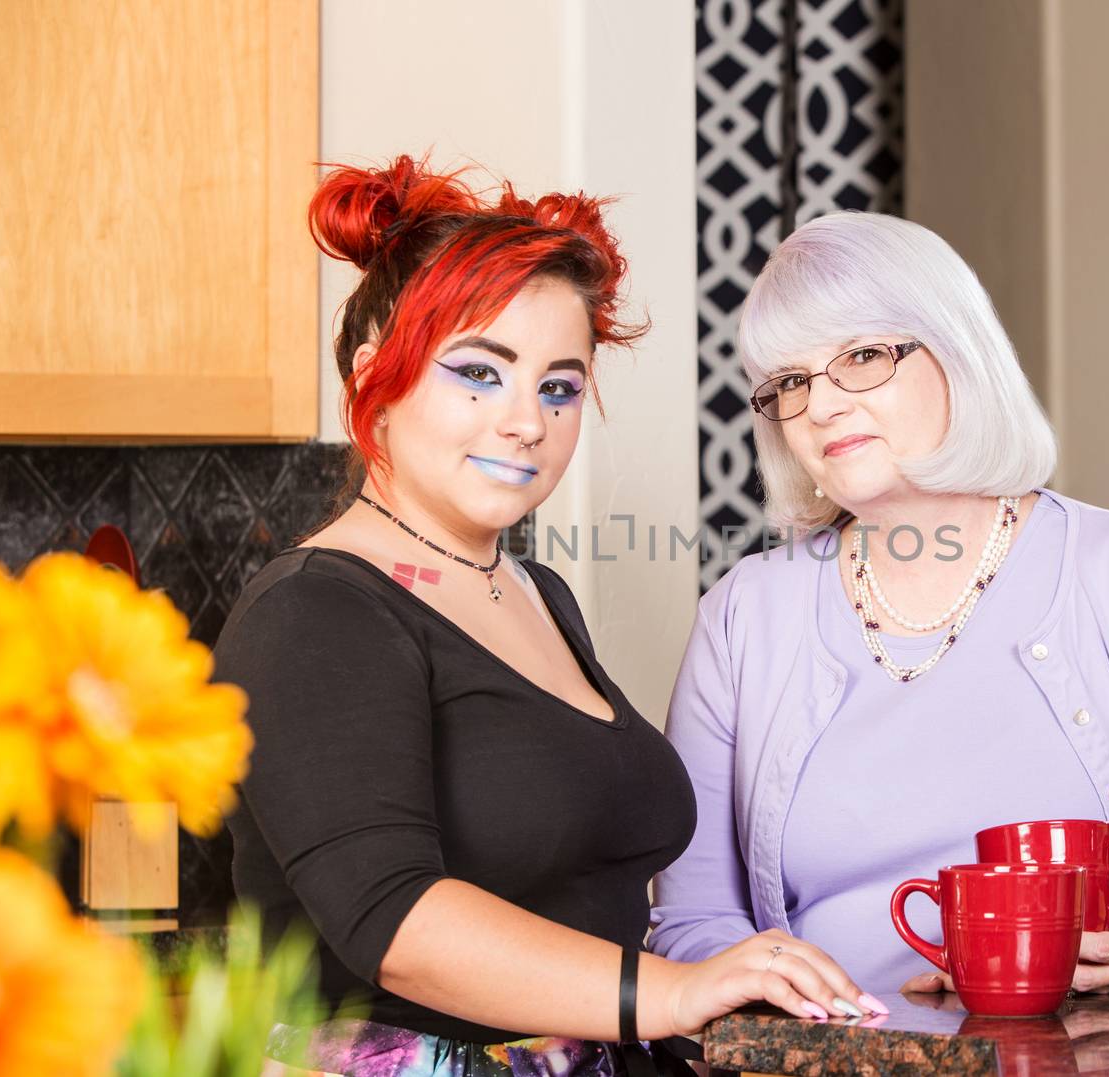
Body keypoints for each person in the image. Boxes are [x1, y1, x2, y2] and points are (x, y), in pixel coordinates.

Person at [214, 157, 878, 1077]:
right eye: (479, 372)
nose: (526, 420)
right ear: (376, 377)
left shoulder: (536, 592)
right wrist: (673, 989)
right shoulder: (315, 611)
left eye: (559, 386)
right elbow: (394, 919)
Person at [650, 211, 1109, 998]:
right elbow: (693, 920)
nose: (822, 406)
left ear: (959, 352)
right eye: (792, 382)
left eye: (864, 356)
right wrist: (801, 1008)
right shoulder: (741, 619)